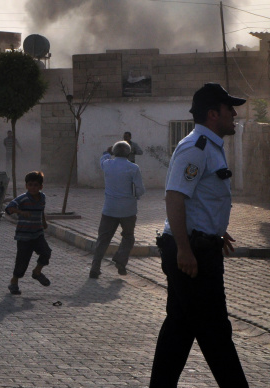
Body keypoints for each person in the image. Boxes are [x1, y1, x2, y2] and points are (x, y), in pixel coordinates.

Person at [149, 83, 249, 388]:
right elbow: (175, 197)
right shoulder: (197, 148)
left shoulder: (211, 146)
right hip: (193, 254)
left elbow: (201, 200)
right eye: (229, 108)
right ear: (212, 113)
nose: (234, 114)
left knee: (179, 331)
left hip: (201, 246)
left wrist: (217, 231)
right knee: (215, 331)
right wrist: (184, 249)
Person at [89, 141, 145, 278]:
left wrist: (107, 152)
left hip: (110, 209)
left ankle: (95, 268)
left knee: (103, 239)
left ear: (114, 152)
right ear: (129, 152)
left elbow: (103, 158)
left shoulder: (108, 165)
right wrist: (134, 197)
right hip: (128, 210)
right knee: (128, 237)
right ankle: (120, 261)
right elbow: (140, 189)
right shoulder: (133, 168)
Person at [4, 171, 51, 295]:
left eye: (36, 185)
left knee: (46, 252)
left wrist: (44, 222)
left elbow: (41, 210)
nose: (33, 188)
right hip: (24, 236)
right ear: (26, 186)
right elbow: (9, 208)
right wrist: (21, 212)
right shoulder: (22, 198)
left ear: (41, 186)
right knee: (22, 260)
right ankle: (14, 282)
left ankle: (37, 272)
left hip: (37, 233)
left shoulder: (42, 197)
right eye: (30, 185)